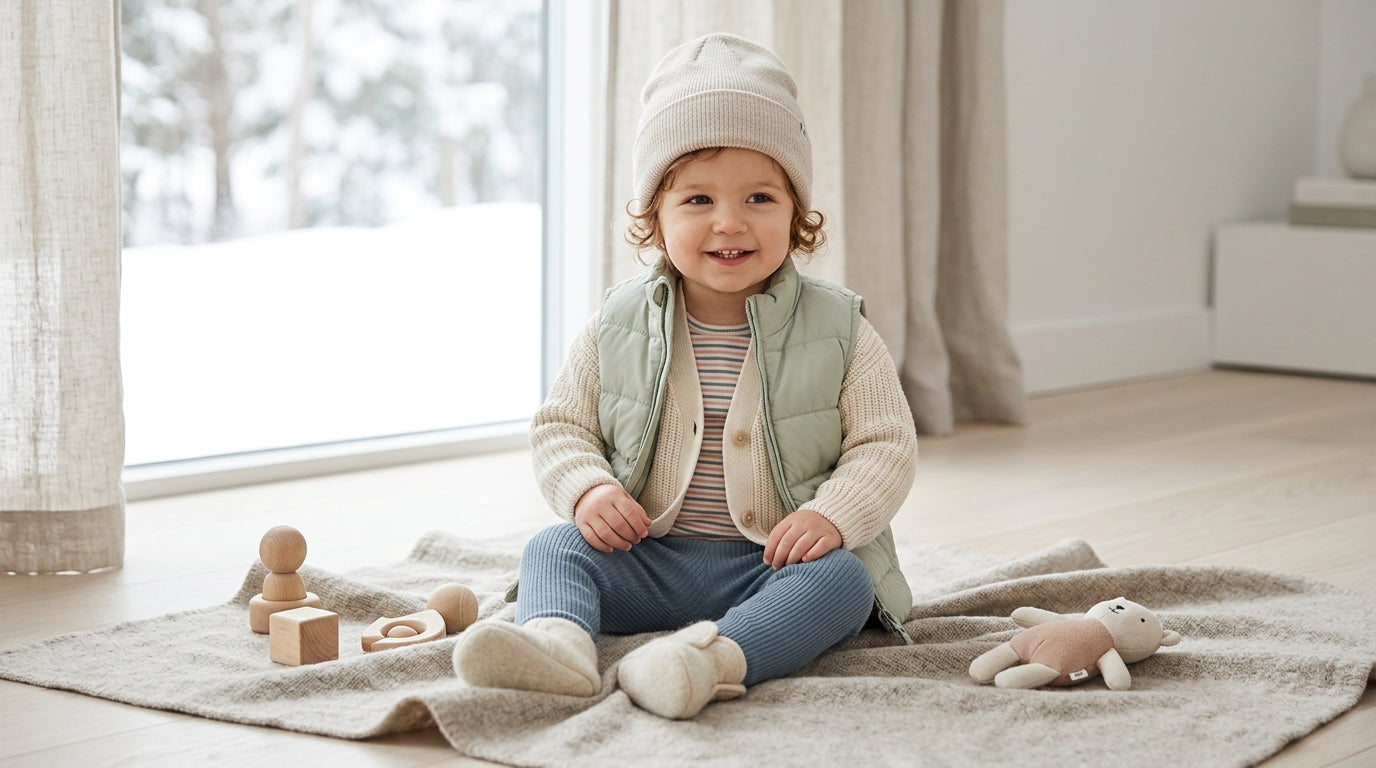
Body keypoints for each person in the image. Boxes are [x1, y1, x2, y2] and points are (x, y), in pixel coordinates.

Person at [452, 32, 918, 720]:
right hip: (649, 557)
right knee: (551, 549)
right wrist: (588, 492)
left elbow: (885, 445)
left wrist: (831, 516)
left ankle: (709, 661)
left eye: (760, 196)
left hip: (774, 565)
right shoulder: (618, 323)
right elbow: (561, 428)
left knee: (846, 584)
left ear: (797, 214)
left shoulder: (841, 328)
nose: (730, 221)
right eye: (697, 200)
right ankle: (556, 647)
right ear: (654, 218)